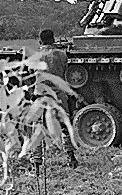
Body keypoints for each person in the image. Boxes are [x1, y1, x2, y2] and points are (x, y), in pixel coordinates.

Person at [30, 29, 78, 169]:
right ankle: (71, 157)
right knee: (64, 127)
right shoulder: (62, 55)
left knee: (37, 128)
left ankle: (36, 162)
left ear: (40, 41)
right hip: (58, 94)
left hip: (40, 94)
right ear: (53, 39)